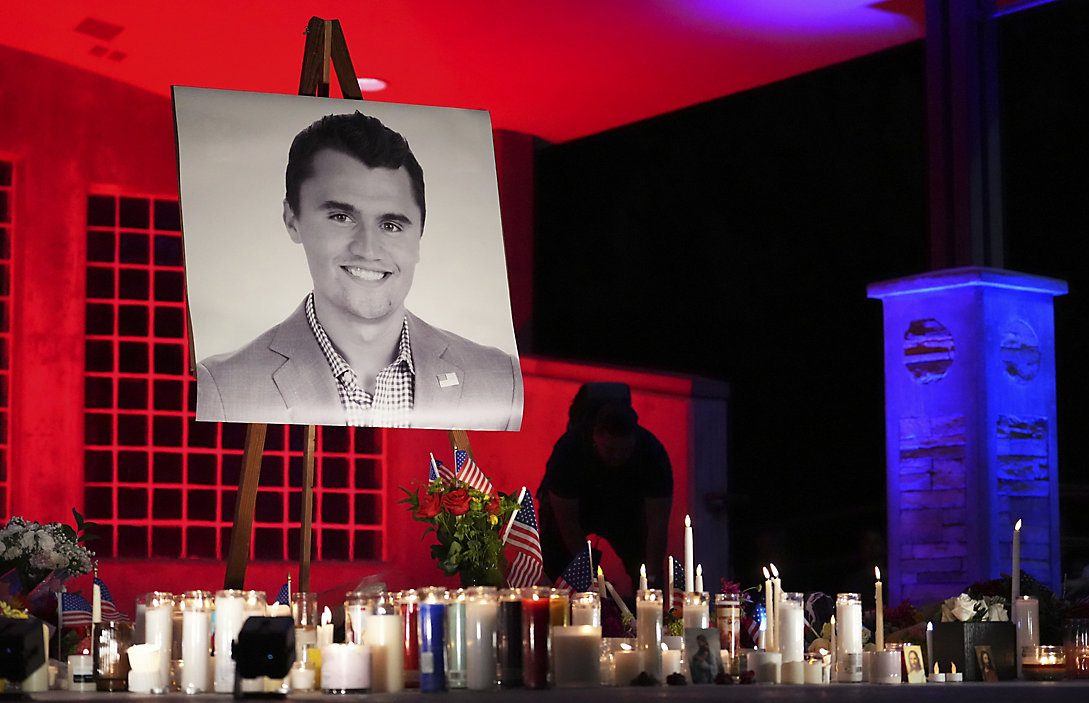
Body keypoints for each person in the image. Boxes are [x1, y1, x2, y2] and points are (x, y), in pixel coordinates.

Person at [196, 111, 522, 430]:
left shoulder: (499, 381)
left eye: (391, 225)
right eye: (341, 217)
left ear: (419, 233)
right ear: (292, 219)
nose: (367, 249)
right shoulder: (223, 388)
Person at [536, 382, 672, 590]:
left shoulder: (652, 454)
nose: (616, 456)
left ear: (634, 440)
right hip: (575, 508)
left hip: (625, 508)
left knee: (643, 562)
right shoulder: (568, 452)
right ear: (595, 436)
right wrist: (595, 579)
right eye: (609, 449)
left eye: (624, 450)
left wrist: (652, 579)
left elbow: (657, 525)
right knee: (558, 564)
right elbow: (567, 524)